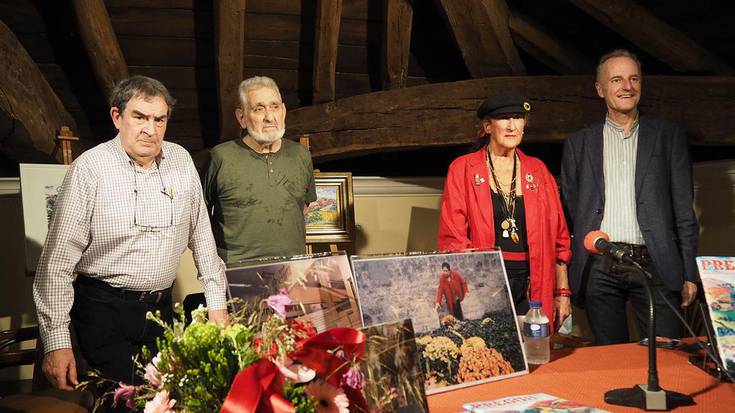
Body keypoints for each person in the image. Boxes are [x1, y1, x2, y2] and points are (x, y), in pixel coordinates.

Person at [33, 76, 228, 397]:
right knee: (125, 402)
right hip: (104, 312)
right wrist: (57, 342)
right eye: (140, 117)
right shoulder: (90, 169)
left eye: (159, 120)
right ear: (117, 117)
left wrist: (217, 304)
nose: (150, 129)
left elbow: (203, 240)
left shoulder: (181, 160)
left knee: (165, 400)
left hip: (160, 311)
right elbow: (56, 264)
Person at [561, 49, 699, 345]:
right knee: (611, 360)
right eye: (617, 80)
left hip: (656, 262)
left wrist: (689, 272)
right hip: (599, 267)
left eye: (634, 79)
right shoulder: (578, 143)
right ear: (600, 89)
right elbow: (572, 208)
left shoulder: (667, 136)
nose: (627, 86)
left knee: (666, 355)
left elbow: (684, 210)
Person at [438, 94, 572, 330]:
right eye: (504, 118)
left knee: (536, 348)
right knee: (491, 345)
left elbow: (559, 239)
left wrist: (562, 292)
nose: (512, 126)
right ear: (487, 126)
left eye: (518, 118)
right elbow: (453, 239)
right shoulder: (463, 169)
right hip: (485, 284)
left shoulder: (538, 170)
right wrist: (472, 292)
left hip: (534, 283)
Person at [203, 76, 317, 263]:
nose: (269, 117)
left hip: (293, 267)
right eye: (259, 109)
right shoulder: (221, 156)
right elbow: (199, 217)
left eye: (275, 107)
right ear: (241, 117)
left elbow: (303, 207)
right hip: (237, 271)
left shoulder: (301, 154)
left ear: (283, 111)